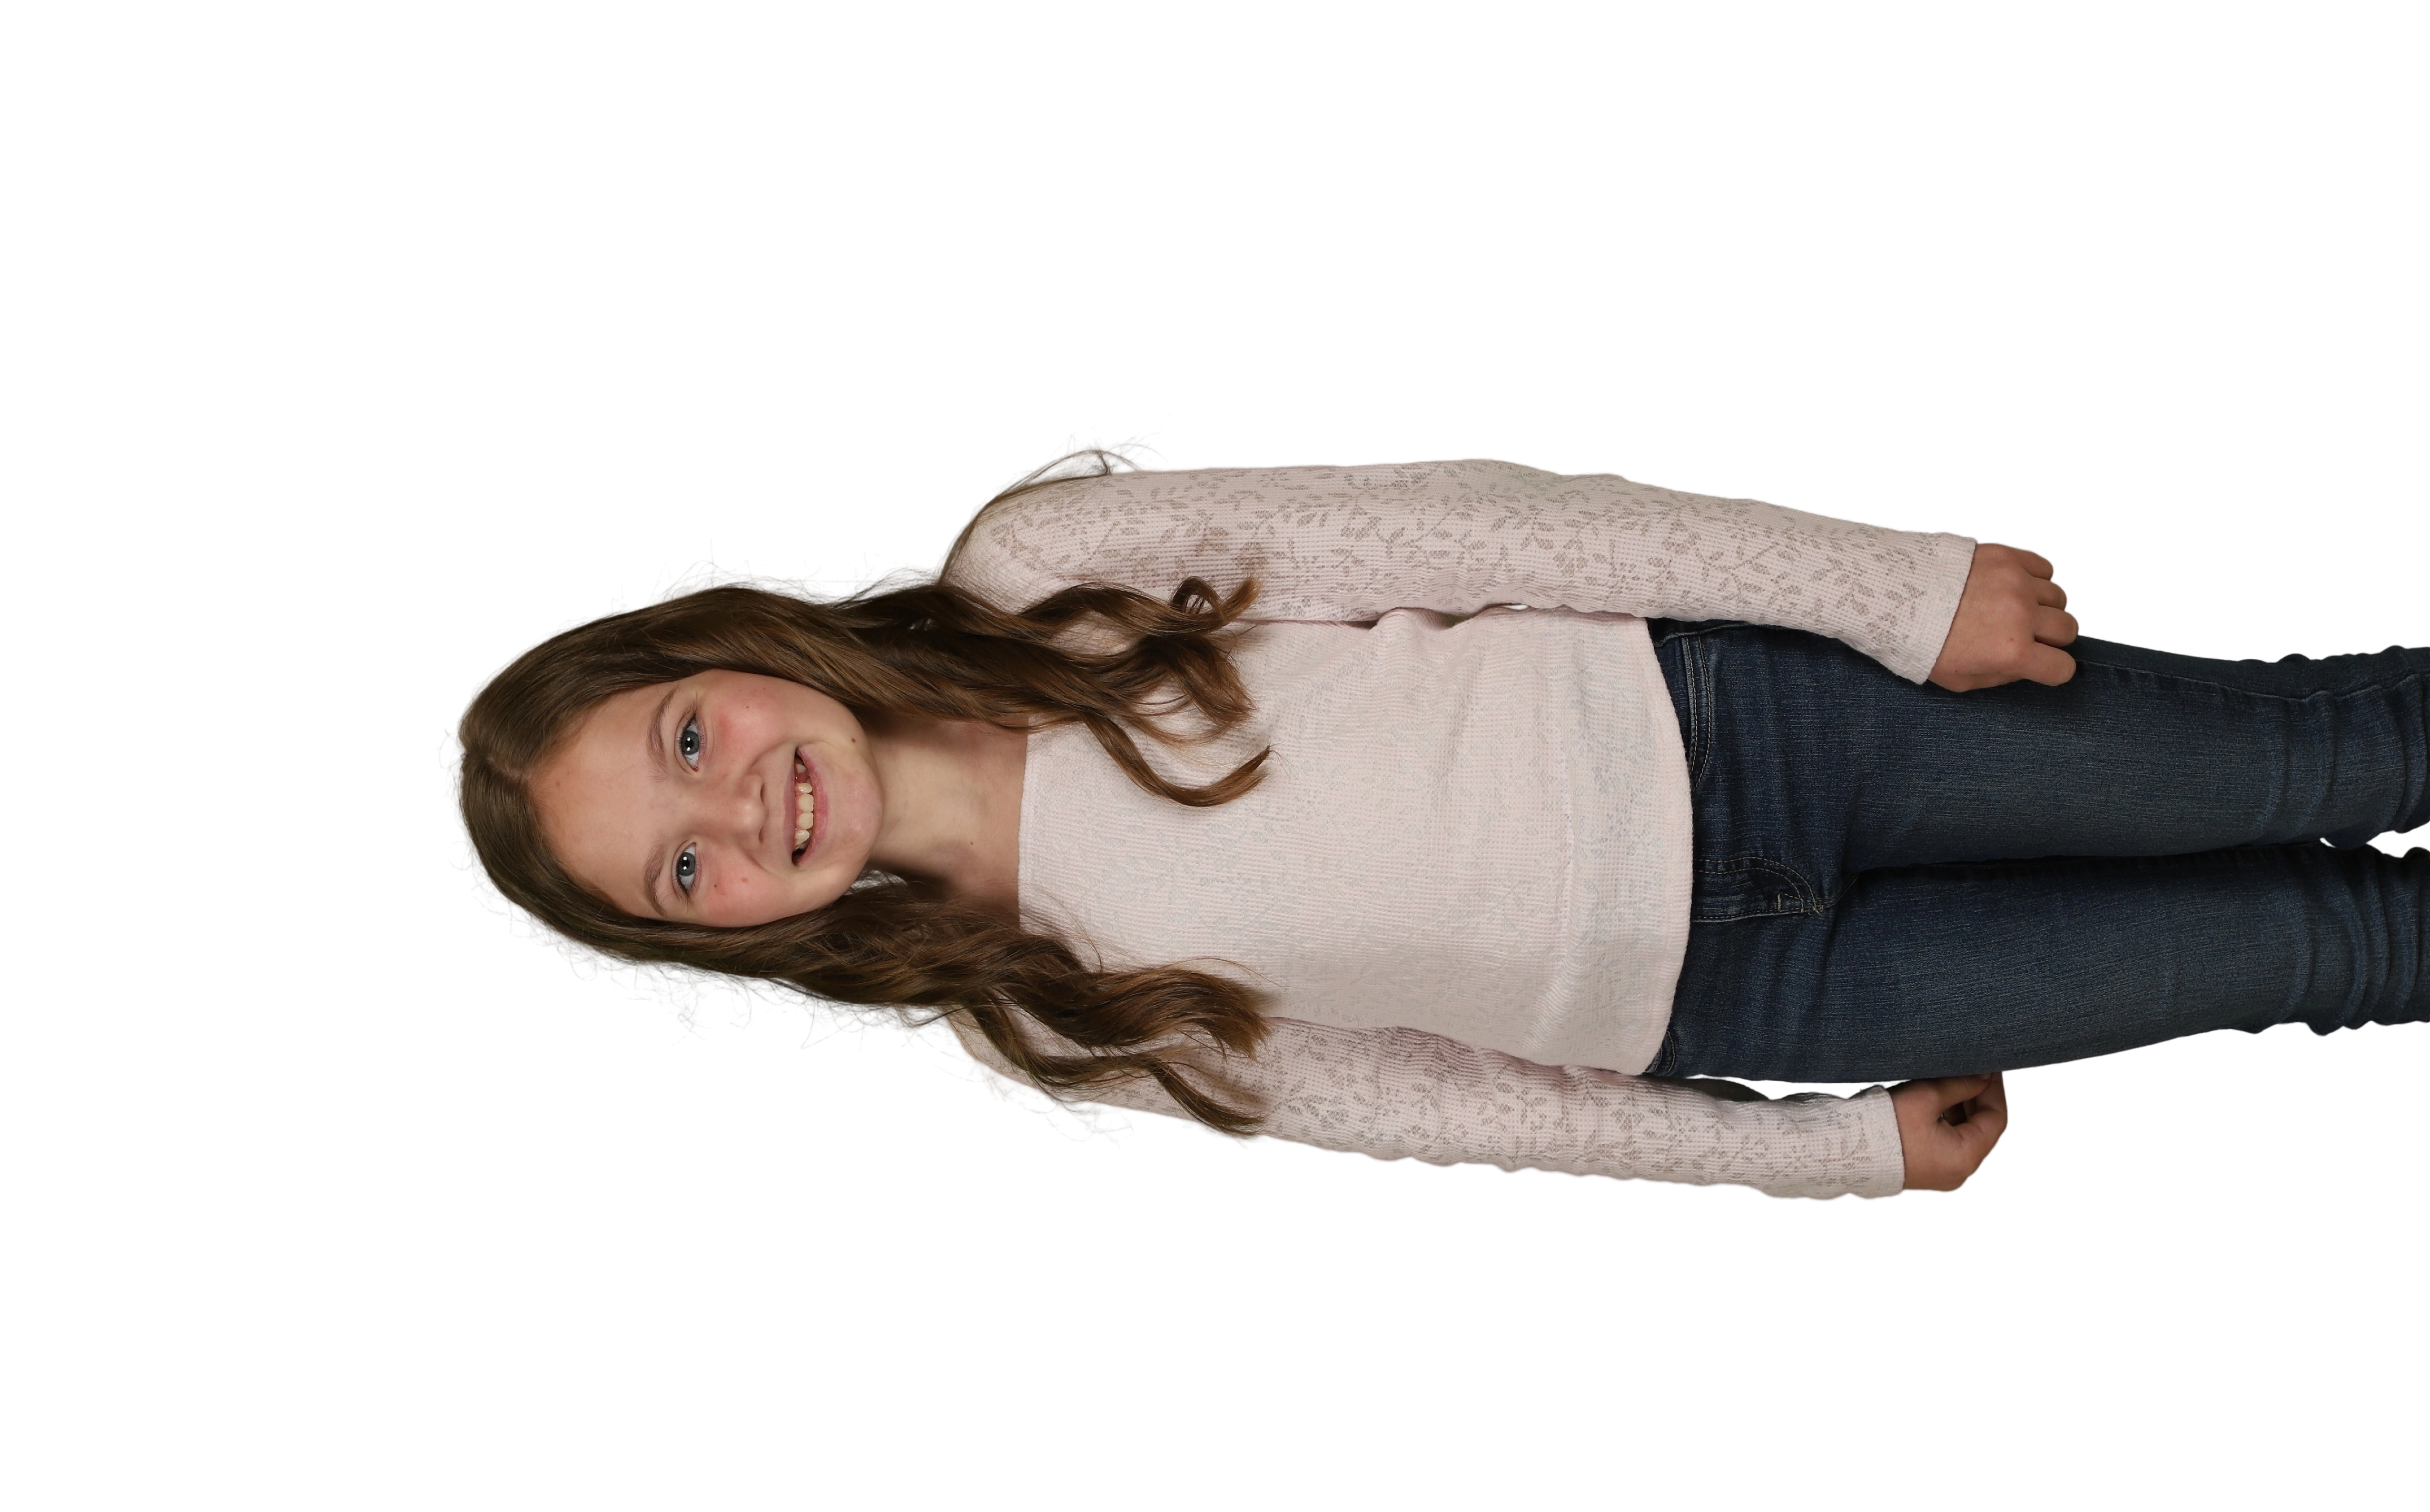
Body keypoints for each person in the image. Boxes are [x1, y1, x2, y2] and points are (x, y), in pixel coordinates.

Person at [436, 425, 2430, 1202]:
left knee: (2321, 760)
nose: (737, 807)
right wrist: (1811, 1154)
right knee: (2313, 947)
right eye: (678, 868)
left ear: (726, 646)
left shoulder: (1041, 575)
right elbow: (1449, 1109)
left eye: (685, 736)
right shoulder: (1027, 1017)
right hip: (1753, 1006)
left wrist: (1885, 595)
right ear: (717, 939)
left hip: (1768, 725)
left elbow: (1487, 529)